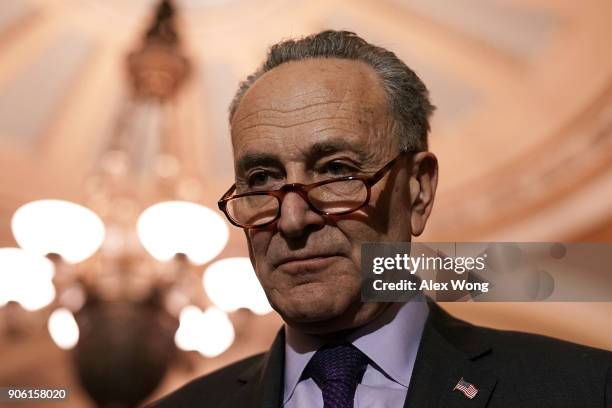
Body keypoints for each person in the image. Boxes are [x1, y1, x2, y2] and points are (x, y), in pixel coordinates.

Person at [149, 30, 611, 408]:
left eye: (336, 170)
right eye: (262, 178)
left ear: (418, 191)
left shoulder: (584, 389)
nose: (291, 220)